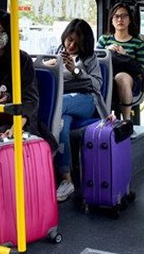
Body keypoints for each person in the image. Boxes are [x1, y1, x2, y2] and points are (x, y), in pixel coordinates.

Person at [46, 19, 108, 202]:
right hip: (62, 102)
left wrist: (75, 71)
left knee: (58, 104)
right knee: (61, 123)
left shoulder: (90, 58)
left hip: (86, 100)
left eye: (77, 42)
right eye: (69, 40)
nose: (71, 45)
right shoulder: (56, 52)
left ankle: (49, 151)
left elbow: (97, 84)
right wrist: (52, 64)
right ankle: (66, 178)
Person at [0, 10, 40, 140]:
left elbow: (30, 101)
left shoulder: (22, 59)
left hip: (17, 119)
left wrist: (16, 126)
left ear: (9, 32)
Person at [96, 3, 144, 120]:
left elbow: (141, 68)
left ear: (130, 19)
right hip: (107, 77)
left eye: (124, 16)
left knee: (121, 77)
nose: (120, 19)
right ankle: (102, 119)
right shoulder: (104, 40)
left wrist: (125, 55)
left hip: (131, 79)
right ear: (112, 20)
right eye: (116, 16)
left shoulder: (137, 43)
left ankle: (126, 120)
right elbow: (95, 61)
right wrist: (106, 51)